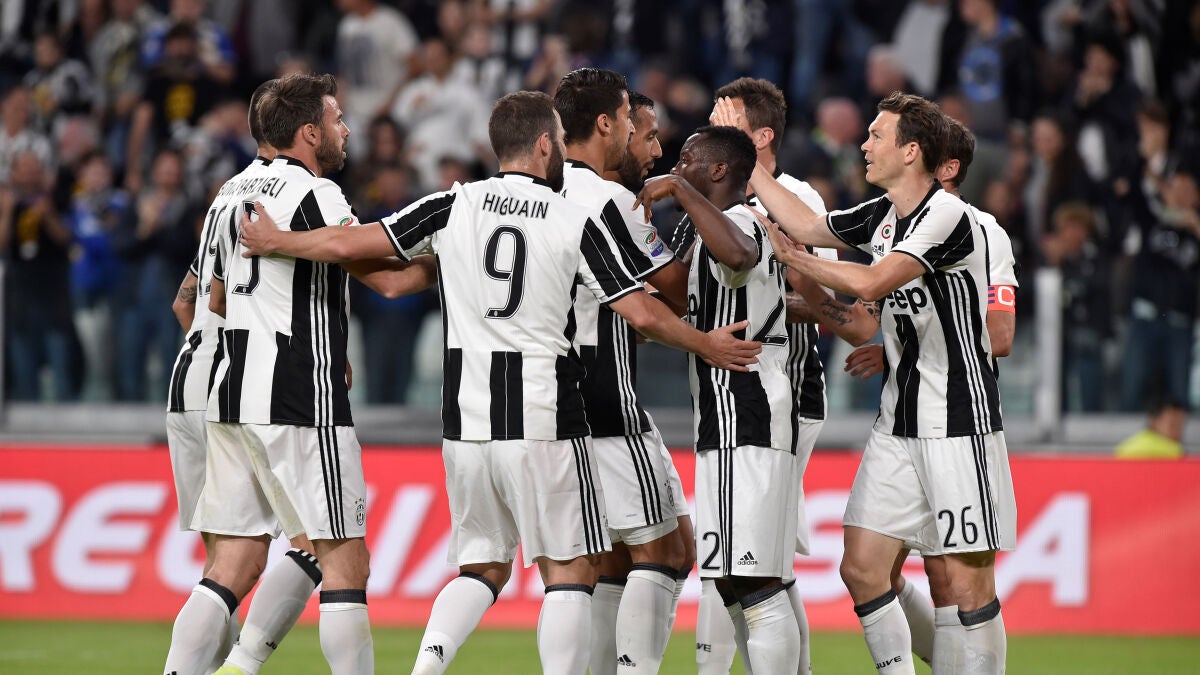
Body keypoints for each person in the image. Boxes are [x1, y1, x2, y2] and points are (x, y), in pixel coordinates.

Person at [236, 90, 762, 675]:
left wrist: (278, 242)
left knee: (482, 568)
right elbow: (642, 311)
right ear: (544, 146)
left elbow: (349, 245)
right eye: (557, 140)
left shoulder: (453, 204)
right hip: (543, 418)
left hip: (464, 425)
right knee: (571, 569)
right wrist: (706, 343)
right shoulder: (573, 217)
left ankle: (425, 670)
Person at [742, 91, 1015, 674]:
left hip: (958, 423)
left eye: (876, 135)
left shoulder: (948, 216)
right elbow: (807, 223)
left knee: (966, 582)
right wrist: (746, 156)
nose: (864, 145)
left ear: (911, 152)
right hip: (898, 422)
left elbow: (872, 283)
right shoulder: (883, 215)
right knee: (862, 567)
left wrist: (795, 259)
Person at [171, 72, 434, 675]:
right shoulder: (315, 192)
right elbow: (385, 276)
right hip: (297, 392)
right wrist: (451, 258)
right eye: (338, 120)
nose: (347, 130)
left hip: (231, 392)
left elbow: (210, 300)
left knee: (231, 566)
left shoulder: (228, 194)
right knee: (344, 561)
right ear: (310, 132)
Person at [696, 77, 875, 675]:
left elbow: (823, 299)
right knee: (757, 562)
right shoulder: (713, 194)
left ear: (763, 135)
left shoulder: (796, 199)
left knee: (740, 562)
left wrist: (765, 304)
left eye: (727, 121)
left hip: (779, 393)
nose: (713, 129)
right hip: (733, 390)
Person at [837, 115, 1020, 671]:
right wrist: (898, 348)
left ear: (946, 166)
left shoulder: (984, 231)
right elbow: (873, 317)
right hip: (902, 418)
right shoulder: (892, 227)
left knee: (952, 578)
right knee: (875, 568)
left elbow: (1000, 335)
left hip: (956, 417)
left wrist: (925, 348)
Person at [161, 80, 320, 675]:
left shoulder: (225, 194)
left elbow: (187, 300)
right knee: (313, 543)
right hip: (240, 378)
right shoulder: (294, 194)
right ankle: (237, 665)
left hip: (188, 378)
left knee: (222, 567)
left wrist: (208, 346)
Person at [554, 70, 703, 674]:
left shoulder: (544, 192)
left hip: (550, 400)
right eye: (642, 132)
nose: (655, 150)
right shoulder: (611, 201)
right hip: (607, 398)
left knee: (610, 561)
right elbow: (677, 294)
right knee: (667, 551)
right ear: (607, 125)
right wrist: (698, 211)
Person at [640, 124, 804, 672]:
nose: (676, 166)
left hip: (746, 410)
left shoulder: (742, 220)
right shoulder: (707, 231)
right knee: (734, 579)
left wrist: (679, 190)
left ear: (715, 170)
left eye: (687, 159)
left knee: (753, 579)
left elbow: (739, 255)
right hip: (729, 415)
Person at [1115, 394, 1188, 459]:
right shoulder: (1174, 452)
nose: (1179, 431)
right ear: (1154, 421)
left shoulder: (1124, 449)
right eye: (1173, 424)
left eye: (1181, 425)